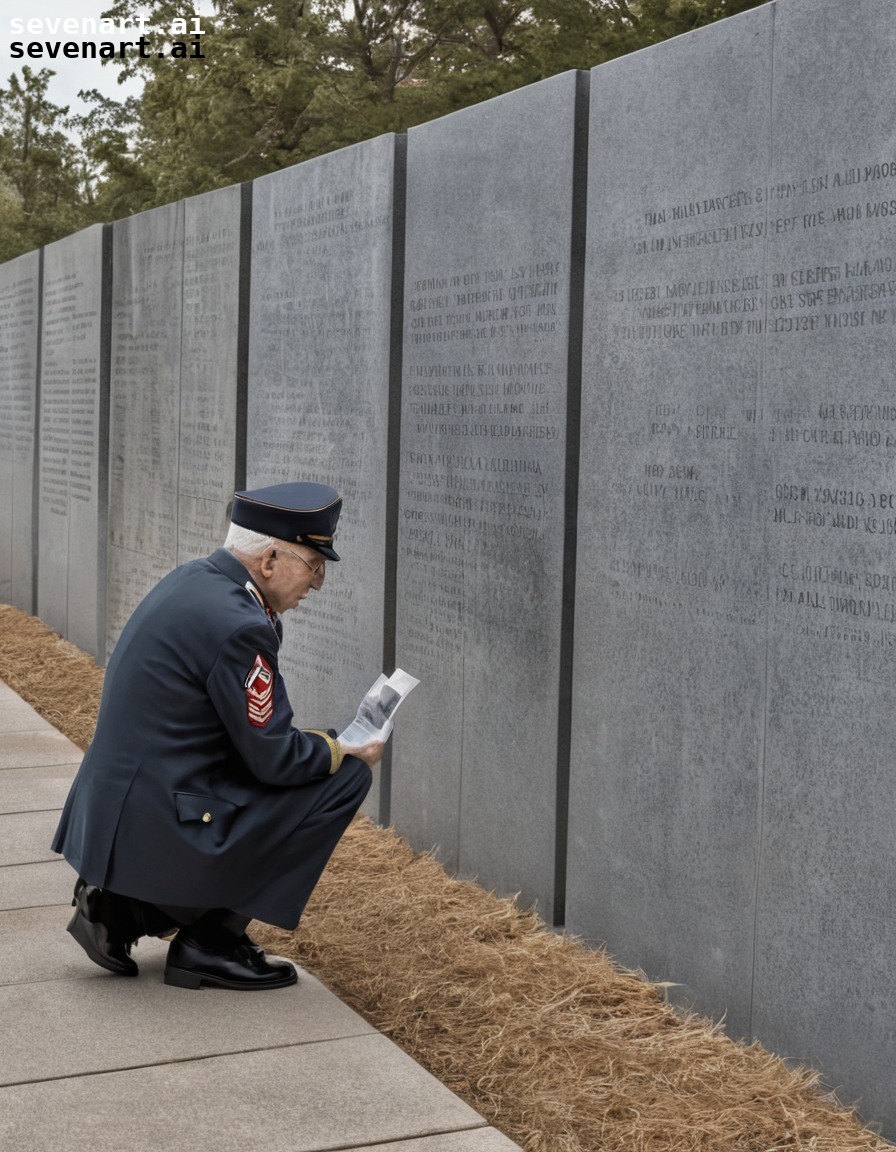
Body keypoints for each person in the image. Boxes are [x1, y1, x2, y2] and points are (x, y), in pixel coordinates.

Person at [51, 481, 384, 991]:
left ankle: (123, 908)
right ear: (270, 559)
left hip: (119, 815)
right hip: (156, 821)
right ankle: (209, 943)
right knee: (345, 778)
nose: (317, 585)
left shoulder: (195, 580)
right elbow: (274, 758)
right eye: (314, 567)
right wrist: (340, 746)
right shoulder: (239, 624)